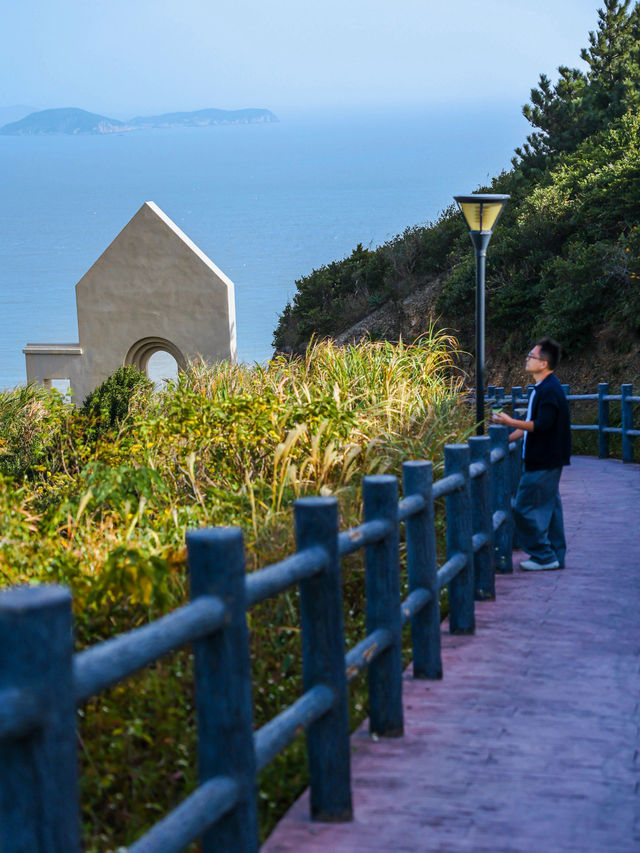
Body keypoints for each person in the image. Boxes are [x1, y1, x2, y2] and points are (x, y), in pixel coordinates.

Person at [492, 337, 571, 571]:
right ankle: (554, 555)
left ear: (543, 363)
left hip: (544, 460)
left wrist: (509, 421)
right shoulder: (544, 388)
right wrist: (505, 437)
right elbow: (530, 423)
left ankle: (543, 556)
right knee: (552, 510)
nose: (527, 358)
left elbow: (542, 424)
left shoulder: (549, 390)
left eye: (531, 356)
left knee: (523, 508)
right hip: (548, 459)